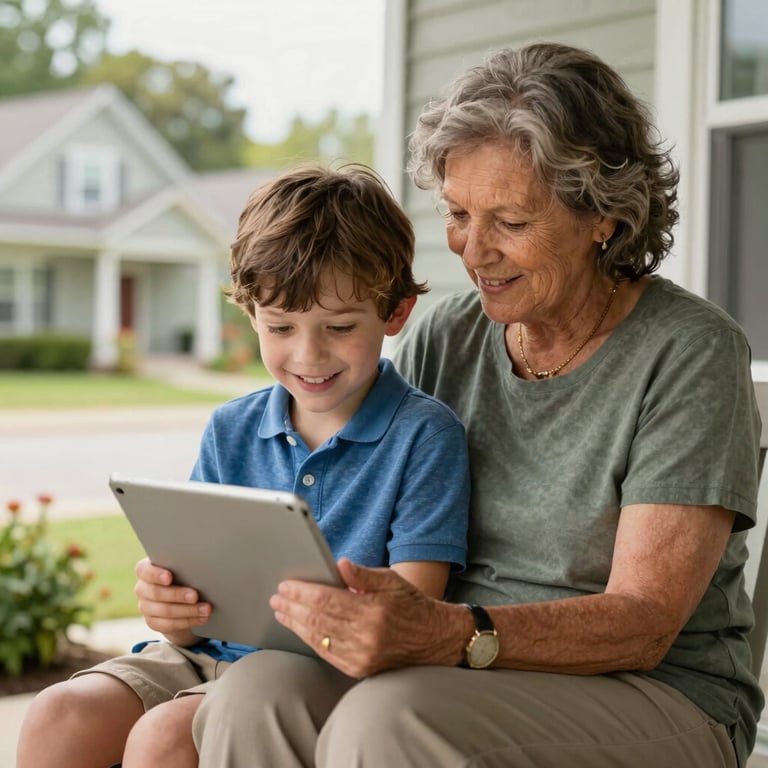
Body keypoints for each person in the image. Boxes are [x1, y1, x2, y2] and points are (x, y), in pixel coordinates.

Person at [188, 42, 765, 768]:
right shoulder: (451, 333)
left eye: (512, 223)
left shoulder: (689, 352)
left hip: (651, 692)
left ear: (604, 219)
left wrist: (447, 633)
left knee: (389, 720)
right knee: (256, 690)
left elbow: (643, 624)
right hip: (443, 669)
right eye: (459, 213)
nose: (473, 250)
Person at [16, 164, 470, 768]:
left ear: (395, 313)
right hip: (206, 657)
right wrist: (172, 612)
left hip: (322, 674)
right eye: (281, 327)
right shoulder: (232, 428)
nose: (309, 355)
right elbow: (195, 605)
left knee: (164, 739)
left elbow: (412, 618)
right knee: (58, 714)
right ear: (249, 313)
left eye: (339, 326)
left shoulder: (424, 436)